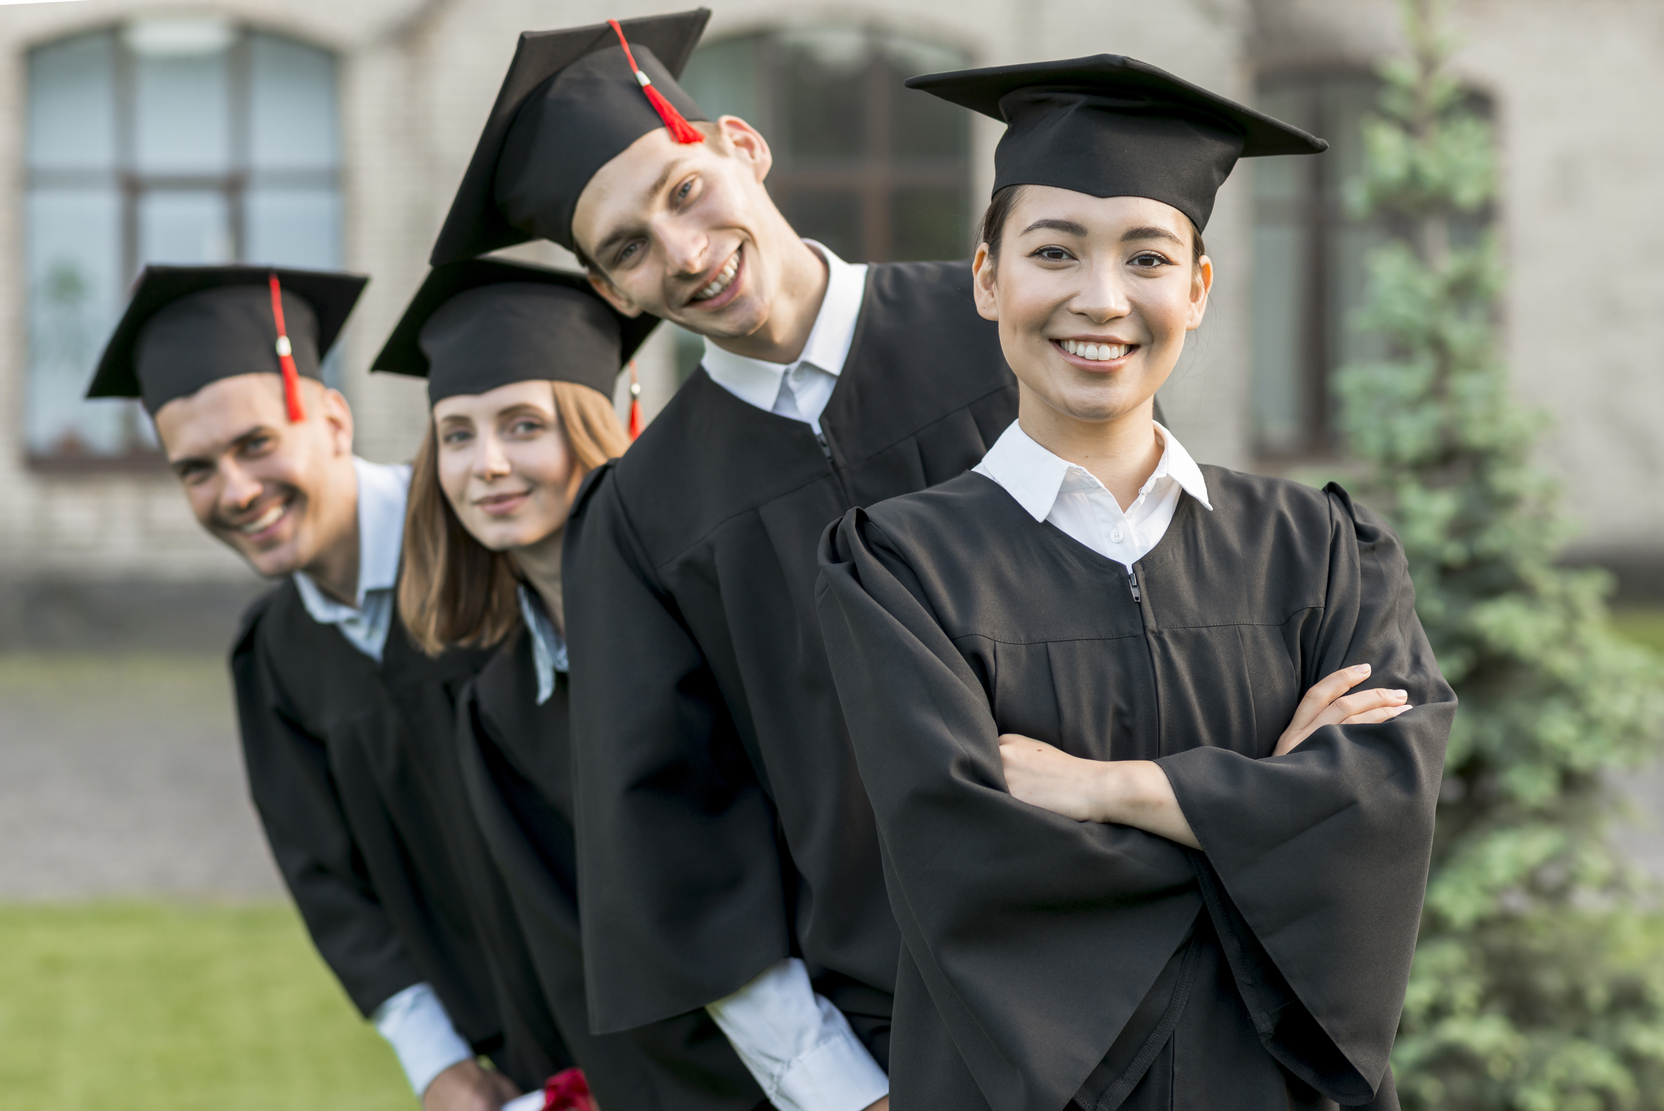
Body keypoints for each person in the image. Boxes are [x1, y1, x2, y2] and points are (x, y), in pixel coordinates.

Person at [813, 55, 1456, 1110]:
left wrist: (1107, 789)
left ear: (1196, 290)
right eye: (1053, 251)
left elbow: (1381, 816)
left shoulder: (1320, 547)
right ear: (985, 278)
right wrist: (1269, 814)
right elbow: (967, 859)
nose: (1099, 299)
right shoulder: (897, 567)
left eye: (1146, 257)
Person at [427, 11, 1016, 1111]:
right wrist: (841, 1089)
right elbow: (676, 841)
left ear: (740, 146)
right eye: (627, 250)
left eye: (682, 191)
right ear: (610, 294)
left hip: (1135, 963)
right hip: (897, 1038)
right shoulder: (642, 519)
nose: (682, 254)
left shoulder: (1000, 337)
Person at [86, 265, 562, 1111]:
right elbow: (330, 884)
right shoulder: (272, 657)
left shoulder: (489, 549)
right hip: (514, 1070)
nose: (235, 491)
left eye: (256, 443)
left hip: (668, 1020)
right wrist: (437, 1064)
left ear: (334, 419)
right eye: (195, 469)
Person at [376, 256, 765, 1111]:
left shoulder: (711, 620)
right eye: (457, 434)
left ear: (599, 424)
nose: (486, 464)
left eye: (522, 425)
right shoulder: (500, 703)